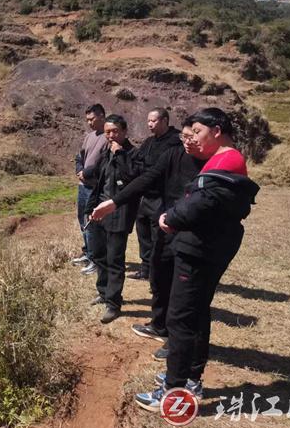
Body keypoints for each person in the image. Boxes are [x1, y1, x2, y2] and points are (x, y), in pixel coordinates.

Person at [132, 108, 260, 412]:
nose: (194, 139)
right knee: (198, 313)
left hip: (200, 249)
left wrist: (170, 217)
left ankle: (173, 391)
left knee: (180, 318)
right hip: (206, 245)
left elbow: (201, 202)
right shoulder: (225, 158)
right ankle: (190, 379)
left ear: (216, 130)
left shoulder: (228, 159)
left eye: (199, 132)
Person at [91, 118, 206, 360]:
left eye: (192, 136)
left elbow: (134, 176)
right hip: (164, 223)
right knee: (158, 275)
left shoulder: (211, 163)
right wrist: (111, 202)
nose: (186, 141)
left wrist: (121, 159)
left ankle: (178, 345)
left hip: (190, 232)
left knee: (183, 292)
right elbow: (146, 178)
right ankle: (159, 325)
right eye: (184, 136)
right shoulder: (172, 154)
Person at [83, 115, 139, 324]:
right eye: (107, 132)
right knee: (98, 255)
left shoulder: (132, 153)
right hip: (100, 211)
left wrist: (121, 154)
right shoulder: (105, 152)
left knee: (115, 259)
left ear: (124, 132)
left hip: (119, 213)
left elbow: (134, 178)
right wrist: (90, 207)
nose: (111, 136)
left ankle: (113, 304)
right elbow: (99, 182)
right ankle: (104, 292)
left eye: (115, 131)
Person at [129, 108, 181, 281]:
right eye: (148, 121)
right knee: (143, 233)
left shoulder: (175, 141)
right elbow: (138, 161)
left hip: (162, 196)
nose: (149, 124)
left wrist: (146, 168)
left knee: (158, 237)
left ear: (165, 120)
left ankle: (157, 273)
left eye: (153, 121)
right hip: (145, 195)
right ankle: (145, 269)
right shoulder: (149, 142)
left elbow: (161, 169)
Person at [72, 104, 107, 266]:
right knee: (82, 219)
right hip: (82, 185)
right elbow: (80, 157)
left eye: (92, 119)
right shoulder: (89, 136)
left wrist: (87, 173)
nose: (89, 123)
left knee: (92, 222)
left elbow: (105, 164)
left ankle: (96, 258)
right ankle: (88, 252)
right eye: (87, 120)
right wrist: (80, 170)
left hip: (95, 187)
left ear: (101, 116)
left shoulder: (108, 137)